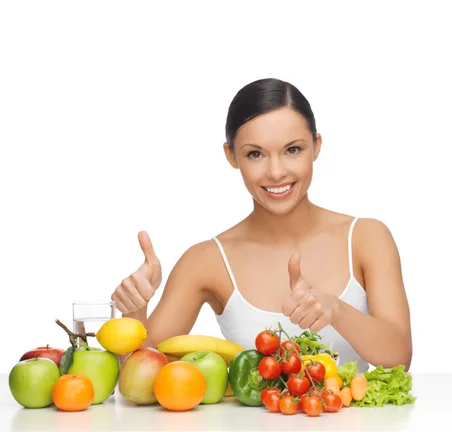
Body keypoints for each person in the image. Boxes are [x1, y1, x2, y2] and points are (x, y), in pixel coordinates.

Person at [111, 78, 412, 372]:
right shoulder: (205, 261)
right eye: (255, 154)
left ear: (316, 146)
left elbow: (399, 357)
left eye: (293, 150)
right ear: (231, 156)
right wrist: (134, 310)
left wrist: (335, 309)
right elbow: (140, 377)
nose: (276, 172)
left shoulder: (366, 238)